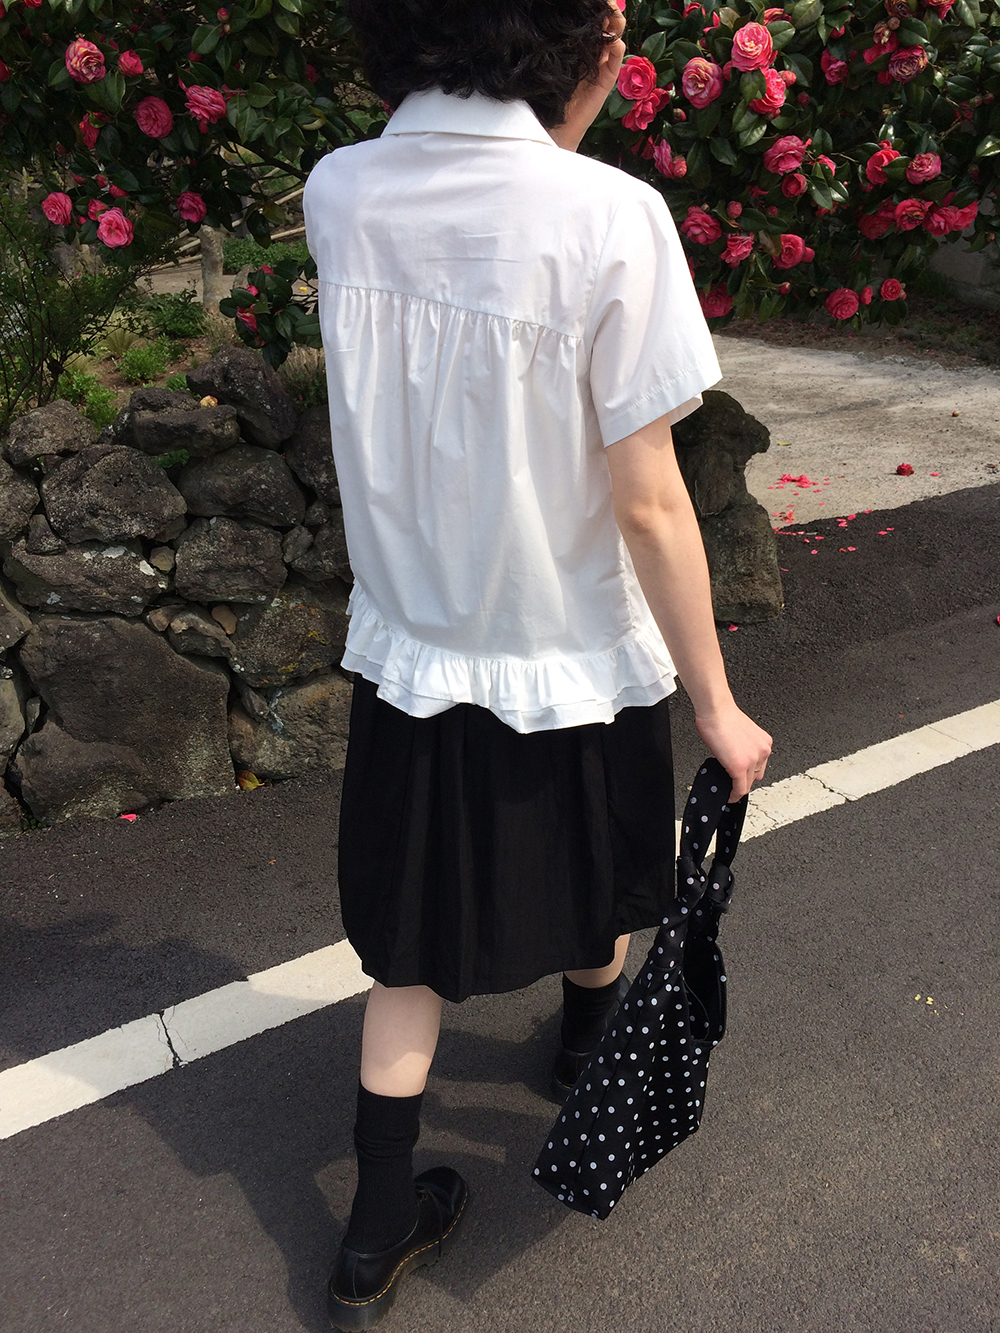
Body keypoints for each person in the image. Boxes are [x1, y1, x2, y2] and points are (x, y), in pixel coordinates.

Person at [302, 1, 773, 1326]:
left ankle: (372, 1232)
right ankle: (580, 1047)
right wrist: (719, 706)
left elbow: (467, 242)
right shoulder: (612, 217)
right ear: (575, 42)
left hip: (413, 646)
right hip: (566, 647)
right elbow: (652, 500)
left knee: (407, 953)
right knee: (603, 868)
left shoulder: (338, 192)